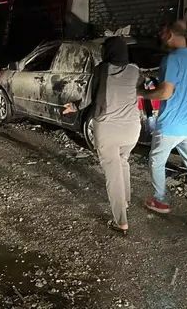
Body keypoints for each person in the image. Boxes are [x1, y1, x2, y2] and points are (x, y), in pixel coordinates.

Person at [138, 21, 187, 239]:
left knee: (156, 161)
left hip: (171, 125)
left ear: (170, 34)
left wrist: (142, 93)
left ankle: (160, 200)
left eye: (161, 33)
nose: (160, 36)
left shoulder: (171, 59)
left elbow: (165, 93)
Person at [63, 37, 141, 235]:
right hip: (132, 129)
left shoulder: (101, 70)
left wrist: (73, 106)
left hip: (108, 129)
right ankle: (126, 200)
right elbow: (139, 90)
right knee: (123, 160)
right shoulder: (135, 70)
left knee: (113, 174)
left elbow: (88, 98)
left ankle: (121, 221)